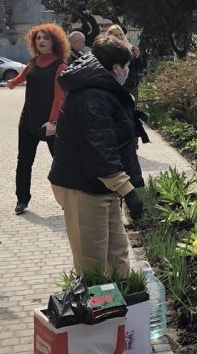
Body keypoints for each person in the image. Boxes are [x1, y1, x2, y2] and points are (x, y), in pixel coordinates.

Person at [49, 35, 145, 278]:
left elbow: (117, 143)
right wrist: (129, 191)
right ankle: (99, 312)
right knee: (92, 263)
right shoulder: (92, 96)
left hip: (103, 187)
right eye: (126, 66)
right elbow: (101, 150)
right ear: (115, 68)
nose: (127, 72)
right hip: (83, 188)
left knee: (117, 255)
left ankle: (123, 307)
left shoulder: (104, 91)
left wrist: (133, 182)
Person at [6, 23, 69, 215]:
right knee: (23, 161)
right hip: (28, 121)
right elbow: (20, 78)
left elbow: (59, 97)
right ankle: (21, 199)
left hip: (49, 124)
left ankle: (67, 199)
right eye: (38, 38)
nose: (41, 41)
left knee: (60, 162)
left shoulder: (61, 65)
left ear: (54, 41)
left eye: (46, 38)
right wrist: (12, 83)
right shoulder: (33, 62)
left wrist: (53, 122)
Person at [105, 24, 141, 100]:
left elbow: (137, 69)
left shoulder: (130, 48)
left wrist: (137, 58)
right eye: (116, 35)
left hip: (130, 87)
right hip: (115, 88)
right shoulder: (106, 50)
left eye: (121, 34)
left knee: (131, 111)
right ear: (110, 36)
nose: (119, 37)